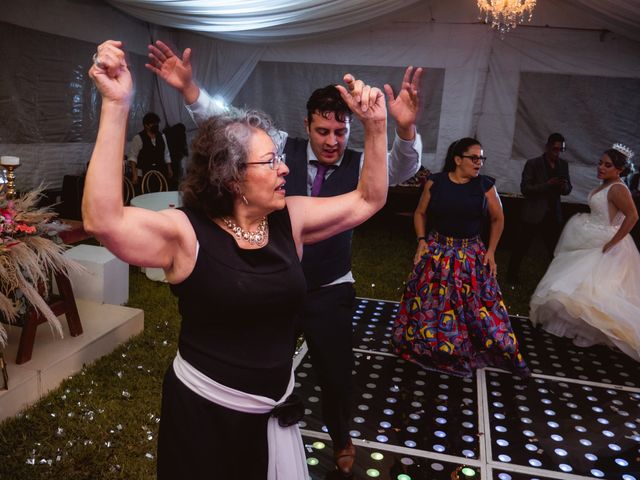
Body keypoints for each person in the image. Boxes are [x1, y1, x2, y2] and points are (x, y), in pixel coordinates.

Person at [84, 40, 389, 480]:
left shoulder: (291, 219)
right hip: (205, 418)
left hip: (273, 415)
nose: (286, 169)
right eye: (271, 161)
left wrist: (376, 128)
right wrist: (117, 104)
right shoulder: (185, 233)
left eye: (281, 159)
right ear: (231, 178)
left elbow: (369, 198)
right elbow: (103, 219)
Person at [391, 138, 530, 377]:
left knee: (478, 306)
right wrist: (422, 241)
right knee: (432, 303)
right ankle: (434, 349)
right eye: (474, 158)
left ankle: (479, 348)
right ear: (458, 160)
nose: (479, 163)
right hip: (438, 252)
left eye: (481, 158)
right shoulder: (436, 182)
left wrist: (491, 251)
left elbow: (498, 219)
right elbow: (420, 213)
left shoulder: (485, 186)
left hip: (471, 253)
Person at [530, 144, 640, 360]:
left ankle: (593, 333)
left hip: (607, 243)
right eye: (600, 163)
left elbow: (633, 216)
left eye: (607, 165)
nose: (601, 167)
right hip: (592, 237)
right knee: (576, 284)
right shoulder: (606, 185)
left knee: (595, 291)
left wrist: (613, 243)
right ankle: (578, 329)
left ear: (619, 169)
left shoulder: (618, 188)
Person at [507, 133, 572, 284]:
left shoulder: (563, 164)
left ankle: (555, 280)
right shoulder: (533, 163)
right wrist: (547, 185)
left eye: (560, 150)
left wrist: (563, 186)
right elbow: (525, 188)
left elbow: (568, 189)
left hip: (553, 213)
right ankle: (511, 276)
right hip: (533, 212)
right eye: (555, 149)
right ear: (547, 146)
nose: (557, 152)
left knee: (554, 250)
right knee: (521, 247)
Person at [127, 112, 174, 187]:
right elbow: (133, 158)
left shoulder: (162, 136)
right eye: (153, 124)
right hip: (143, 173)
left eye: (157, 123)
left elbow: (166, 153)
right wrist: (134, 175)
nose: (156, 126)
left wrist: (169, 168)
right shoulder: (138, 138)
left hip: (161, 171)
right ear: (146, 125)